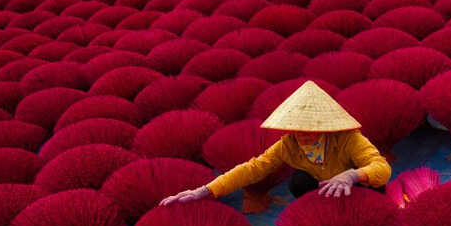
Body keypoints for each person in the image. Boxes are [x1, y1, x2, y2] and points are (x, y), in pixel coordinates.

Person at [159, 81, 392, 207]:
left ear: (323, 125)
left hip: (360, 189)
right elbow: (252, 168)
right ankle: (323, 212)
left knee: (371, 188)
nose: (302, 135)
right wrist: (205, 191)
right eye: (296, 128)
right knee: (299, 182)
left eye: (309, 129)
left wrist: (352, 175)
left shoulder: (349, 139)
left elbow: (382, 168)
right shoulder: (288, 145)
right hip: (326, 192)